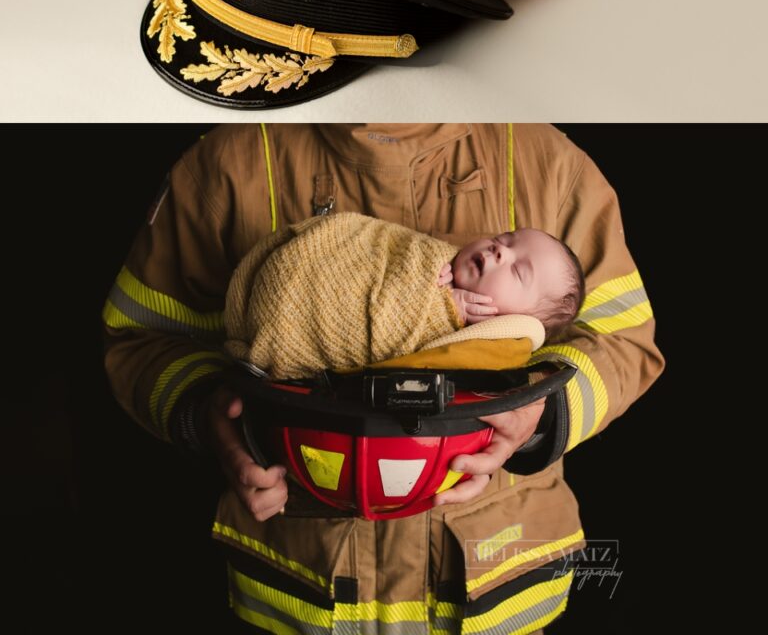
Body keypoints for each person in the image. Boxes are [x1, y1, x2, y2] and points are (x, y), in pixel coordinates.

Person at [102, 124, 664, 633]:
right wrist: (208, 417)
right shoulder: (232, 160)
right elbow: (141, 339)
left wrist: (539, 415)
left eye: (518, 264)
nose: (499, 251)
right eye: (506, 238)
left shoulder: (548, 162)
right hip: (302, 589)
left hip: (493, 590)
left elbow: (625, 339)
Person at [224, 213, 586, 379]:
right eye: (504, 238)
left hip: (292, 321)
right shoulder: (437, 261)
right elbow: (388, 246)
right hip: (309, 259)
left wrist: (441, 310)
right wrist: (430, 271)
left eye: (519, 272)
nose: (500, 250)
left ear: (516, 321)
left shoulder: (485, 351)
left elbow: (398, 351)